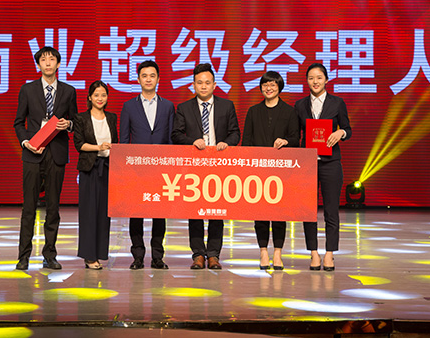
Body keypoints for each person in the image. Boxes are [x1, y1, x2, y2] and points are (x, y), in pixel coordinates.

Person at [14, 46, 78, 271]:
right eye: (43, 59)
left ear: (58, 64)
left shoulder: (69, 91)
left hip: (56, 154)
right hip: (32, 153)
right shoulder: (27, 90)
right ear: (38, 65)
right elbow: (18, 122)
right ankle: (23, 256)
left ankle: (50, 255)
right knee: (29, 208)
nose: (48, 63)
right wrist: (26, 142)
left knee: (53, 208)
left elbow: (76, 121)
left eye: (52, 59)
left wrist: (68, 124)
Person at [172, 63, 240, 270]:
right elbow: (176, 134)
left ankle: (213, 255)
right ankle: (198, 255)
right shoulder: (184, 108)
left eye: (207, 83)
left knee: (217, 211)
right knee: (195, 212)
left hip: (219, 165)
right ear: (193, 85)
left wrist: (226, 143)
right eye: (199, 83)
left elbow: (235, 133)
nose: (203, 86)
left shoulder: (227, 106)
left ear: (214, 85)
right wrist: (192, 141)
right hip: (194, 166)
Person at [294, 63, 352, 272]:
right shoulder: (300, 105)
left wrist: (340, 133)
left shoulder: (337, 103)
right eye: (311, 78)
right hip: (307, 164)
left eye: (319, 77)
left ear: (326, 80)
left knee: (331, 210)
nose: (315, 82)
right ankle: (313, 253)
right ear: (307, 81)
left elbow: (348, 129)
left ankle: (329, 253)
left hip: (331, 163)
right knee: (308, 211)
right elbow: (295, 134)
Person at [120, 60, 175, 270]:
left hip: (161, 169)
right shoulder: (129, 106)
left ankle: (158, 257)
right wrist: (126, 169)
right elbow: (124, 140)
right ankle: (137, 256)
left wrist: (169, 166)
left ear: (158, 79)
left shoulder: (168, 106)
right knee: (136, 214)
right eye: (144, 76)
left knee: (159, 214)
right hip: (136, 169)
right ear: (138, 79)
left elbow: (171, 139)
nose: (148, 79)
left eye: (152, 75)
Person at [242, 71, 300, 271]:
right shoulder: (253, 111)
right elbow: (246, 142)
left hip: (281, 171)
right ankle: (263, 251)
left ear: (279, 87)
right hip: (258, 171)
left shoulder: (290, 111)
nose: (269, 88)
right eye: (265, 85)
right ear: (261, 88)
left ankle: (277, 252)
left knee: (279, 213)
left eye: (273, 85)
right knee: (260, 214)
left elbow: (296, 139)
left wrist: (285, 141)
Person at [73, 81, 117, 270]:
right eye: (96, 95)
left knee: (104, 214)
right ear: (90, 97)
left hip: (107, 168)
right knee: (89, 213)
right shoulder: (81, 118)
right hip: (89, 169)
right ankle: (89, 256)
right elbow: (79, 144)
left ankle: (100, 253)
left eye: (103, 95)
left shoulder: (112, 117)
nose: (100, 98)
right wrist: (98, 147)